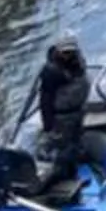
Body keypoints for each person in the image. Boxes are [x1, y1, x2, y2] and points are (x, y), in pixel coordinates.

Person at [33, 37, 91, 189]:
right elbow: (45, 99)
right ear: (58, 51)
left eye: (71, 51)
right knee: (62, 147)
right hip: (62, 116)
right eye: (65, 52)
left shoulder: (77, 62)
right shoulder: (51, 71)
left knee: (76, 140)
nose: (68, 55)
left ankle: (75, 165)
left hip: (78, 110)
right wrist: (48, 124)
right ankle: (61, 177)